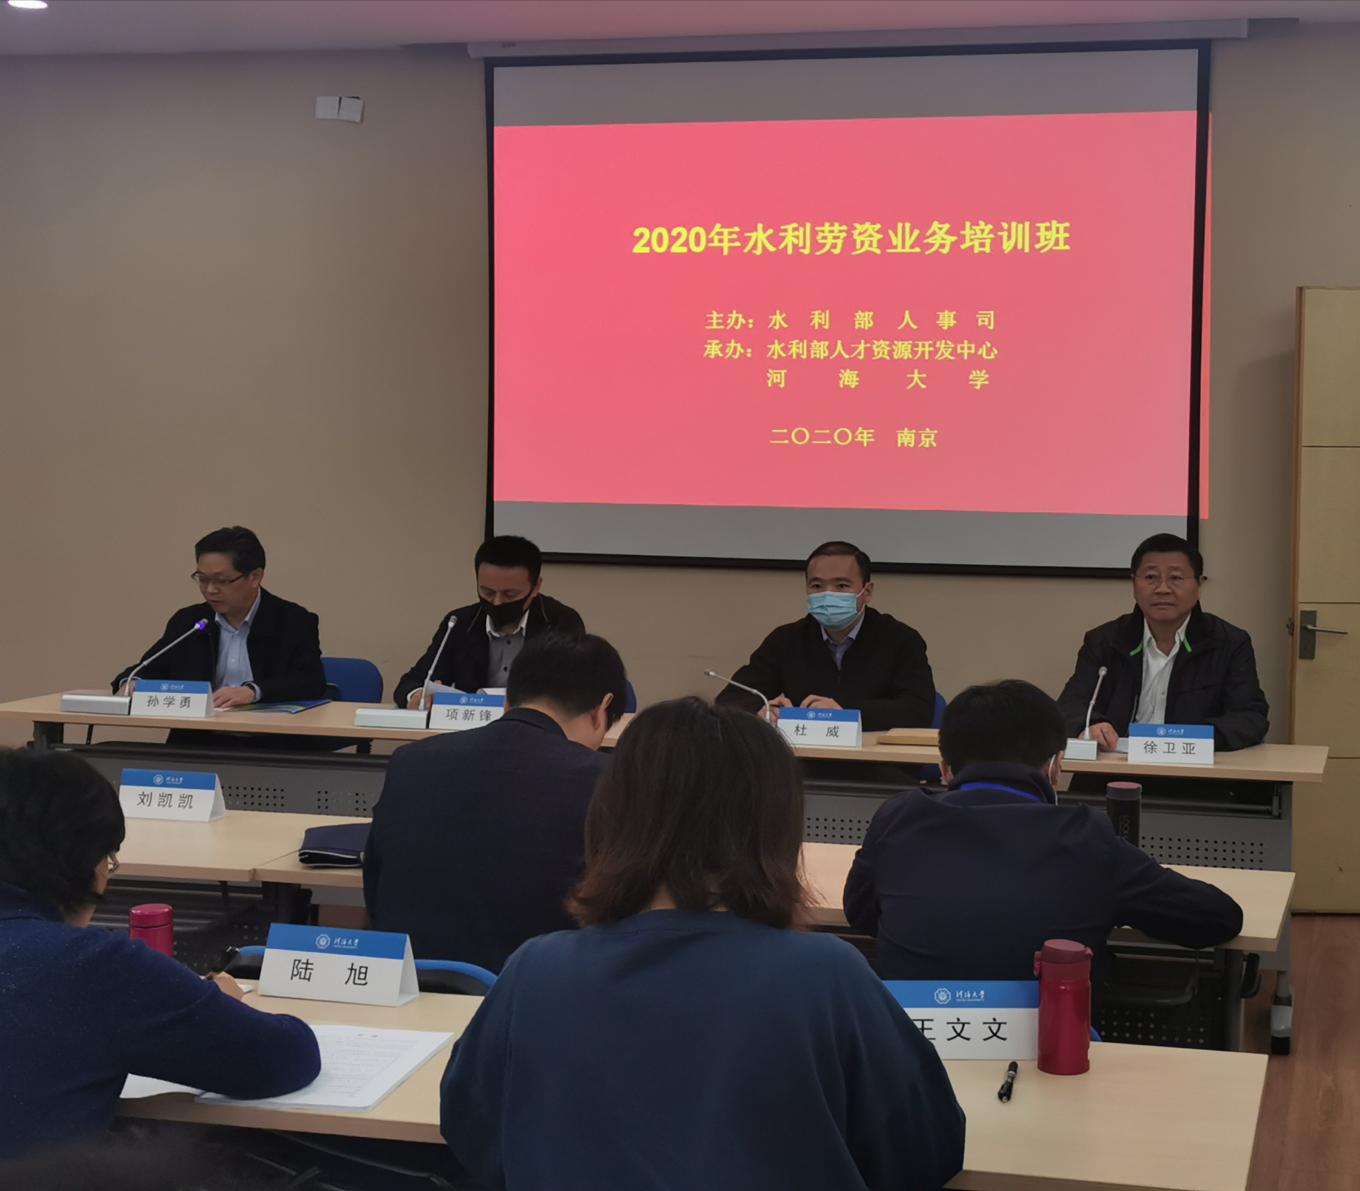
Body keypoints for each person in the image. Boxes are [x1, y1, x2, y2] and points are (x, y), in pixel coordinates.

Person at [441, 698, 965, 1191]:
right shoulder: (827, 977)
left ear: (611, 815)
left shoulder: (536, 970)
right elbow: (925, 1149)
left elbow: (474, 1132)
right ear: (776, 826)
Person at [0, 749, 320, 1160]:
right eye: (108, 858)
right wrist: (219, 1005)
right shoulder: (89, 965)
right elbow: (283, 1058)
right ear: (80, 862)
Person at [843, 681, 1244, 987]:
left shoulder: (898, 817)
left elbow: (860, 913)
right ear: (1056, 767)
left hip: (909, 1048)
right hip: (1052, 1050)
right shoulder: (1086, 836)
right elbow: (1217, 918)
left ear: (944, 767)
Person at [365, 633, 627, 971]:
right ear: (602, 710)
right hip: (539, 984)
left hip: (413, 980)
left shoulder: (411, 760)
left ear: (506, 700)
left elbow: (375, 884)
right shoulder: (605, 779)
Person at [1057, 533, 1269, 751]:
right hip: (1119, 762)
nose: (1162, 589)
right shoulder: (1105, 641)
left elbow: (1250, 716)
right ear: (1134, 584)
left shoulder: (1229, 643)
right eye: (1151, 577)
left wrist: (1198, 739)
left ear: (1198, 585)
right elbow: (1070, 706)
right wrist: (1091, 725)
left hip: (1195, 766)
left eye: (1176, 578)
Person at [714, 540, 935, 731]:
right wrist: (762, 711)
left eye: (841, 585)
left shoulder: (900, 640)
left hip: (876, 761)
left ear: (867, 592)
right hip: (803, 759)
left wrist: (845, 713)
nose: (828, 594)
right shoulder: (786, 640)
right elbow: (730, 701)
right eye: (817, 585)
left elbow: (918, 710)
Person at [112, 526, 326, 708]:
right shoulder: (189, 621)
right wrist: (132, 683)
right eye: (202, 579)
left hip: (269, 737)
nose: (210, 590)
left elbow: (311, 681)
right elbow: (148, 669)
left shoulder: (293, 621)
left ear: (255, 577)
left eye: (221, 580)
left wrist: (253, 692)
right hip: (199, 736)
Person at [393, 535, 584, 708]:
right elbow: (411, 682)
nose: (497, 602)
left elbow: (578, 692)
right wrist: (417, 696)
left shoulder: (560, 622)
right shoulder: (460, 623)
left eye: (510, 594)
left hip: (535, 729)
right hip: (472, 729)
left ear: (535, 587)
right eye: (488, 592)